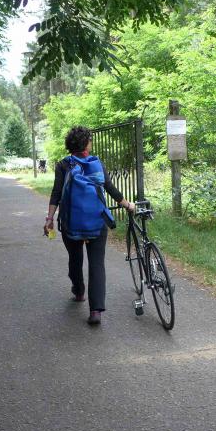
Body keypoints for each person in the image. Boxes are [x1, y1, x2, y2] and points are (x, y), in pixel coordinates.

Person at [44, 126, 134, 325]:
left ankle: (79, 291)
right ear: (86, 144)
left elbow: (56, 193)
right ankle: (95, 311)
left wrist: (49, 218)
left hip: (71, 223)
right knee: (96, 264)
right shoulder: (96, 163)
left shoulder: (63, 165)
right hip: (97, 222)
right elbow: (109, 188)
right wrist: (127, 204)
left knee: (75, 259)